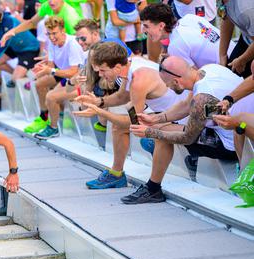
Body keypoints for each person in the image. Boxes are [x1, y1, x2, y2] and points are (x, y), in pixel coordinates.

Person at [128, 56, 250, 204]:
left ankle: (153, 189)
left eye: (168, 85)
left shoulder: (202, 97)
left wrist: (149, 132)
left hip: (233, 147)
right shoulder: (210, 69)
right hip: (243, 131)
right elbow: (186, 105)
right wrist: (156, 118)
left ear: (176, 81)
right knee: (159, 126)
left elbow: (188, 138)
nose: (169, 89)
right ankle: (188, 159)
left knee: (162, 136)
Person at [73, 42, 187, 190]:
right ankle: (116, 174)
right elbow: (122, 97)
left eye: (102, 70)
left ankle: (150, 187)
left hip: (183, 121)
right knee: (119, 127)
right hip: (168, 115)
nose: (100, 75)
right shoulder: (131, 66)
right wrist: (99, 101)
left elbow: (133, 123)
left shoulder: (138, 79)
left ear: (117, 67)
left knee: (130, 129)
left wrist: (100, 112)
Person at [24, 16, 85, 137]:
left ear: (63, 31)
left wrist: (49, 70)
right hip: (66, 77)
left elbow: (73, 72)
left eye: (54, 33)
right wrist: (40, 71)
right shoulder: (52, 43)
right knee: (39, 84)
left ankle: (53, 128)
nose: (51, 37)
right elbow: (51, 67)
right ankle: (44, 116)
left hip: (81, 81)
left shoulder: (72, 44)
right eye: (49, 33)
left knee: (51, 97)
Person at [140, 3, 234, 69]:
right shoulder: (190, 17)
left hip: (231, 68)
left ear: (161, 25)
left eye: (146, 26)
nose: (143, 30)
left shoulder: (175, 46)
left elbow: (196, 78)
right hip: (236, 52)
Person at [0, 5, 40, 84]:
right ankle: (16, 74)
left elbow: (3, 45)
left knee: (15, 78)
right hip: (14, 47)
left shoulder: (8, 21)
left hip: (29, 49)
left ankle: (22, 78)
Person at [0, 0, 83, 48]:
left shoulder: (70, 16)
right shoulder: (47, 5)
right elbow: (32, 23)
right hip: (61, 44)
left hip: (76, 45)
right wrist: (12, 32)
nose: (51, 2)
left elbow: (80, 42)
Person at [219, 0, 254, 78]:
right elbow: (226, 18)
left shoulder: (245, 9)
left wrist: (242, 60)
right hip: (247, 39)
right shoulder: (226, 1)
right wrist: (222, 55)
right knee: (229, 75)